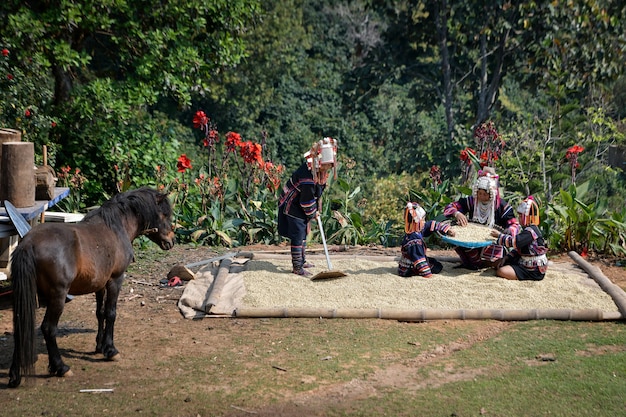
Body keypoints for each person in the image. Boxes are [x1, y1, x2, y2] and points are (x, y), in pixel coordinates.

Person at [278, 137, 338, 276]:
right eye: (326, 165)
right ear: (318, 161)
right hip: (293, 204)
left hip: (301, 203)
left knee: (304, 232)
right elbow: (306, 201)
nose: (327, 169)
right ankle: (297, 266)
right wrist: (313, 212)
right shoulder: (308, 177)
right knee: (298, 234)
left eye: (330, 166)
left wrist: (316, 209)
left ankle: (303, 260)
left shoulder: (318, 171)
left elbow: (315, 194)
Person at [443, 168, 520, 269]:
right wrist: (457, 213)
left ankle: (480, 263)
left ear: (492, 193)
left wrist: (506, 232)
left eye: (485, 194)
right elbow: (449, 207)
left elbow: (514, 225)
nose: (482, 197)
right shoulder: (472, 202)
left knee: (490, 260)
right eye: (479, 194)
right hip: (471, 238)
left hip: (492, 240)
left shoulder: (501, 206)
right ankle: (473, 263)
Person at [490, 196, 548, 280]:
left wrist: (499, 236)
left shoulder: (531, 231)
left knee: (501, 271)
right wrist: (507, 257)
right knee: (498, 263)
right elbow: (519, 249)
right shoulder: (528, 229)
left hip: (533, 270)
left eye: (521, 216)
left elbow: (515, 242)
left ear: (527, 217)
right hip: (524, 262)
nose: (519, 219)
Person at [398, 202, 456, 278]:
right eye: (423, 219)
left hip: (410, 262)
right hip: (409, 268)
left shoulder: (414, 229)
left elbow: (430, 225)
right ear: (417, 221)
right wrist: (427, 274)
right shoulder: (414, 241)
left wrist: (446, 229)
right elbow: (419, 261)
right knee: (437, 267)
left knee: (434, 261)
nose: (424, 222)